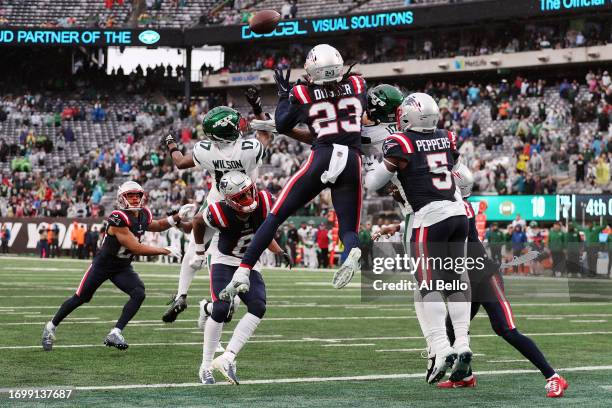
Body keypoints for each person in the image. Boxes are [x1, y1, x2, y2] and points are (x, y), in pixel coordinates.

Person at [224, 44, 366, 297]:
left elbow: (282, 123)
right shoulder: (357, 86)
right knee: (349, 230)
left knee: (276, 216)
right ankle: (351, 251)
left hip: (322, 156)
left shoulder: (302, 92)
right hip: (353, 161)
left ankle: (243, 271)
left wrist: (283, 95)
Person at [365, 93, 471, 384]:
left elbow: (373, 183)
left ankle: (440, 346)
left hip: (427, 217)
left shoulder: (400, 142)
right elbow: (467, 178)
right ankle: (462, 342)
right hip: (458, 213)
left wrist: (375, 169)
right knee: (454, 281)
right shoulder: (446, 137)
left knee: (428, 285)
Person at [441, 168, 569, 398]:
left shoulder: (461, 208)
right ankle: (466, 376)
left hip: (484, 278)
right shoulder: (450, 207)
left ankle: (553, 376)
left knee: (506, 329)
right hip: (467, 279)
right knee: (451, 326)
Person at [161, 90, 273, 323]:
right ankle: (224, 300)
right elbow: (265, 133)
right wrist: (255, 105)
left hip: (217, 201)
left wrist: (171, 144)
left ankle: (181, 294)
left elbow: (180, 162)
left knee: (196, 249)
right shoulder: (248, 149)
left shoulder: (206, 150)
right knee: (234, 256)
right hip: (246, 202)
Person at [41, 181, 189, 351]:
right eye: (130, 196)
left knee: (138, 292)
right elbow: (135, 248)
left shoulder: (143, 214)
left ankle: (115, 332)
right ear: (122, 198)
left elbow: (157, 225)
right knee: (81, 297)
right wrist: (164, 250)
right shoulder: (118, 218)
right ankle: (50, 327)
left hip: (122, 267)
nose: (134, 199)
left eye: (137, 196)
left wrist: (177, 217)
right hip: (103, 265)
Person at [192, 172, 291, 384]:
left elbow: (265, 232)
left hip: (250, 262)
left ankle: (228, 358)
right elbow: (197, 222)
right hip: (225, 260)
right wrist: (200, 251)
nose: (247, 200)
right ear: (229, 200)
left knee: (258, 306)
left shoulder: (264, 200)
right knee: (221, 309)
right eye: (240, 197)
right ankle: (205, 365)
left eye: (248, 193)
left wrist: (279, 250)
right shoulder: (217, 212)